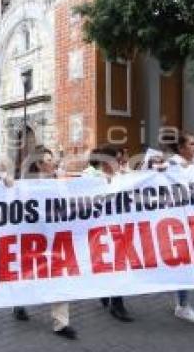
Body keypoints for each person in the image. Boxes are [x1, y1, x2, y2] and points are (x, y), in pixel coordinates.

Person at [11, 146, 78, 339]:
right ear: (39, 164)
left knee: (59, 274)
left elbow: (72, 199)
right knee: (28, 274)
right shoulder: (25, 185)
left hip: (54, 237)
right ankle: (18, 303)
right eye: (49, 160)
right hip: (32, 238)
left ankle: (61, 323)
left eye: (53, 160)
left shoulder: (57, 182)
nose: (53, 163)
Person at [86, 145, 134, 322]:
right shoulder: (92, 176)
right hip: (100, 227)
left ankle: (116, 301)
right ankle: (113, 298)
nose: (120, 162)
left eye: (120, 159)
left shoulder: (122, 176)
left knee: (119, 262)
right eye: (117, 159)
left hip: (121, 226)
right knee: (107, 262)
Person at [165, 133, 194, 324]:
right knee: (184, 261)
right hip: (177, 220)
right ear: (181, 148)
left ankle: (181, 301)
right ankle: (182, 306)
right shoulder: (171, 165)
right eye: (192, 143)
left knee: (186, 261)